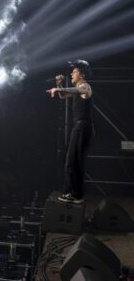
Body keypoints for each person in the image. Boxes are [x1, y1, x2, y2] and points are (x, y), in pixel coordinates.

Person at [46, 59, 94, 204]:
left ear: (82, 75)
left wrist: (59, 89)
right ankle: (73, 193)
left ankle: (75, 194)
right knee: (72, 161)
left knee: (73, 161)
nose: (71, 74)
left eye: (74, 71)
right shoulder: (78, 88)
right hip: (79, 127)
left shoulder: (85, 87)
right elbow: (63, 96)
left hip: (82, 127)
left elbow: (78, 90)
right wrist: (59, 85)